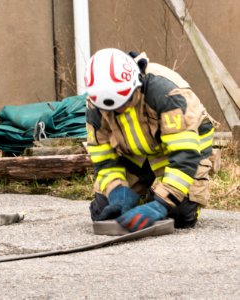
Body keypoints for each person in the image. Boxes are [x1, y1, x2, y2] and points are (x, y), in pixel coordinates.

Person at [84, 48, 218, 232]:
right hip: (137, 154)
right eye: (115, 108)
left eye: (125, 102)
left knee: (179, 215)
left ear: (136, 84)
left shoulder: (166, 93)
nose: (121, 110)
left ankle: (159, 198)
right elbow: (103, 157)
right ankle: (141, 196)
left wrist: (161, 203)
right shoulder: (96, 104)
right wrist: (117, 191)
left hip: (184, 154)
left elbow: (184, 155)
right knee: (103, 212)